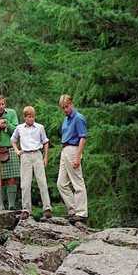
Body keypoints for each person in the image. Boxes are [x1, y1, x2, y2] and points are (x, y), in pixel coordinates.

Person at [11, 106, 52, 220]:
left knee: (42, 182)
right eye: (29, 117)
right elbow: (13, 140)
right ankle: (26, 209)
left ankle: (47, 208)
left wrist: (45, 157)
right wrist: (17, 151)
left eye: (33, 116)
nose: (31, 119)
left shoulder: (39, 127)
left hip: (37, 154)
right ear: (25, 117)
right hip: (25, 155)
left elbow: (45, 142)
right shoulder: (20, 128)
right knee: (25, 184)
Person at [57, 94, 88, 223]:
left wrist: (78, 156)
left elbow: (83, 138)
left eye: (67, 106)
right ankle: (72, 209)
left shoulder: (78, 118)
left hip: (73, 149)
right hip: (65, 149)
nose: (65, 109)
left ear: (71, 104)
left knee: (77, 182)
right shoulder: (66, 119)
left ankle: (81, 212)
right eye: (63, 108)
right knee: (61, 183)